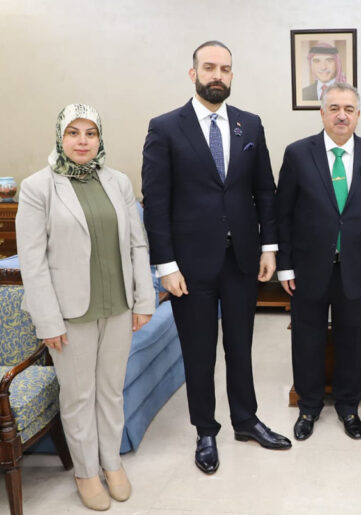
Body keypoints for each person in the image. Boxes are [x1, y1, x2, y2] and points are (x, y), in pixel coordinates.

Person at [141, 40, 291, 475]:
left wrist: (269, 247)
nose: (217, 76)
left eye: (225, 69)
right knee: (200, 351)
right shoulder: (165, 128)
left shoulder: (250, 124)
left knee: (240, 346)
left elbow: (265, 190)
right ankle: (205, 430)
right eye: (209, 68)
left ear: (231, 75)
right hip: (189, 266)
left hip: (242, 258)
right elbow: (156, 201)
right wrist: (165, 265)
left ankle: (246, 420)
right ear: (193, 74)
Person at [16, 104, 155, 510]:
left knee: (111, 391)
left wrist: (143, 299)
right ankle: (86, 472)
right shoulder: (38, 187)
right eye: (73, 133)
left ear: (99, 138)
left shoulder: (118, 181)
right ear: (61, 136)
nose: (82, 141)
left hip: (118, 306)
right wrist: (47, 320)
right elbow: (32, 261)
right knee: (79, 396)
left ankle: (111, 463)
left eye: (90, 133)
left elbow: (137, 244)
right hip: (69, 313)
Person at [277, 82, 361, 441]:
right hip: (308, 267)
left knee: (352, 340)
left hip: (356, 267)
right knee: (307, 339)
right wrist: (285, 265)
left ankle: (348, 406)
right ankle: (309, 407)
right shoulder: (298, 154)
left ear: (358, 114)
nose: (342, 115)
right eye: (334, 108)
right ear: (322, 112)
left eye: (349, 109)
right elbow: (283, 214)